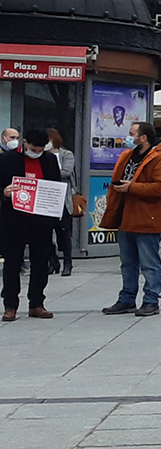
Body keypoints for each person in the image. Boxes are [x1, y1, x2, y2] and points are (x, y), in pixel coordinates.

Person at [100, 119, 161, 316]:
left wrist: (131, 187)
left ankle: (151, 300)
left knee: (149, 263)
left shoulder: (160, 158)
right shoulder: (128, 155)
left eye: (132, 134)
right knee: (128, 262)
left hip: (146, 217)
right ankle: (127, 299)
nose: (128, 137)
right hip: (125, 216)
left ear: (143, 137)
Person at [1, 127, 64, 319]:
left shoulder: (50, 160)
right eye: (34, 149)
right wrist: (4, 193)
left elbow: (56, 186)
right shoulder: (7, 159)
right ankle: (10, 305)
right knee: (12, 262)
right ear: (25, 143)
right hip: (15, 219)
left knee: (40, 262)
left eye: (41, 150)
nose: (37, 153)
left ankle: (36, 302)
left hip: (41, 219)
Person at [45, 127, 76, 277]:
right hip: (47, 198)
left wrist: (49, 173)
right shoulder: (41, 155)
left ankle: (68, 263)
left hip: (62, 198)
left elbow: (66, 172)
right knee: (46, 231)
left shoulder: (66, 154)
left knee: (64, 232)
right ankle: (53, 261)